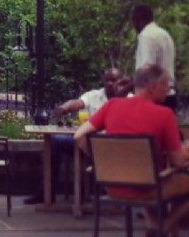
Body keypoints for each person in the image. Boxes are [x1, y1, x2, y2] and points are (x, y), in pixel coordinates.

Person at [74, 63, 189, 237]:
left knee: (147, 177)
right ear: (153, 86)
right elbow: (178, 162)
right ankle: (161, 231)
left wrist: (100, 163)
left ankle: (155, 232)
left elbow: (79, 136)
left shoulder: (112, 105)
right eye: (165, 85)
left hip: (112, 186)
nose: (168, 90)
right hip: (148, 188)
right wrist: (187, 153)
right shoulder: (164, 115)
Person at [40, 67, 125, 205]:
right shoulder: (94, 95)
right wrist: (64, 108)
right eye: (108, 80)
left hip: (114, 147)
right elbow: (77, 103)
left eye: (114, 80)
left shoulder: (130, 99)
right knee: (54, 141)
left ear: (122, 81)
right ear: (103, 81)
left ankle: (96, 193)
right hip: (88, 143)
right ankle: (47, 193)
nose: (111, 83)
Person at [131, 3, 176, 109]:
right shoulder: (164, 34)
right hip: (168, 94)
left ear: (138, 19)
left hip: (153, 97)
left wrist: (128, 86)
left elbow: (147, 70)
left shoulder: (146, 36)